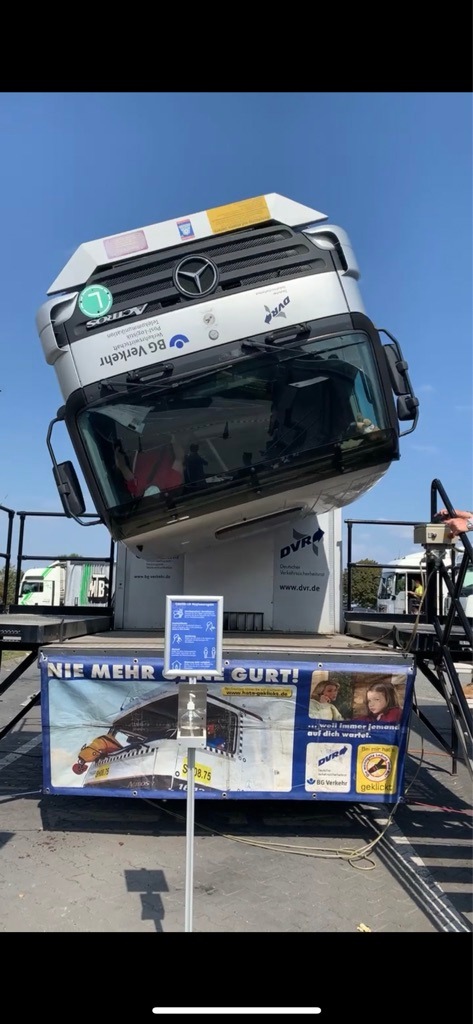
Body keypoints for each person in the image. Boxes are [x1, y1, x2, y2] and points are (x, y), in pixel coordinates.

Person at [114, 435, 184, 498]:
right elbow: (179, 458)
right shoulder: (173, 484)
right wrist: (173, 440)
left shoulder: (137, 491)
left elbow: (124, 468)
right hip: (160, 438)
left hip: (136, 441)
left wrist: (118, 455)